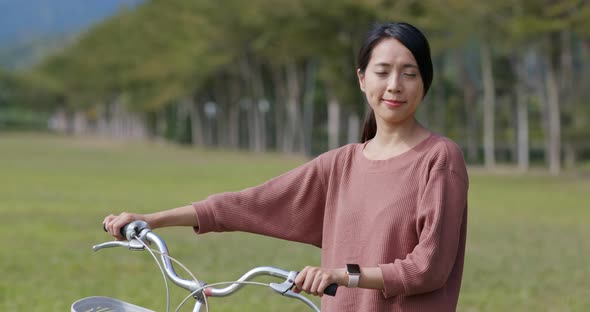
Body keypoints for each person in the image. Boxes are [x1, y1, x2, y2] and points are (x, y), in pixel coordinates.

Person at [104, 22, 469, 312]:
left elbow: (429, 268)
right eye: (383, 71)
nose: (394, 85)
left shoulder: (439, 158)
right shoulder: (342, 163)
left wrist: (343, 276)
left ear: (425, 82)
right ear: (362, 79)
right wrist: (152, 219)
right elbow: (247, 204)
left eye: (409, 73)